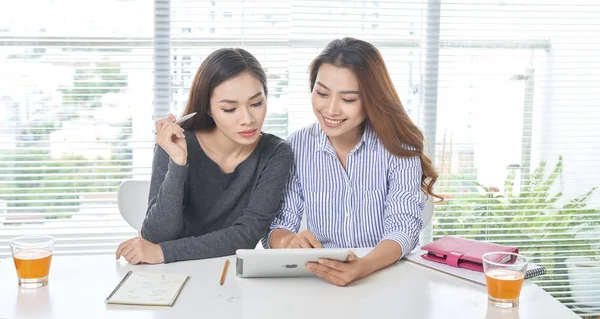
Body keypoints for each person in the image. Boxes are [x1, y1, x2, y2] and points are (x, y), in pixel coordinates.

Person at [266, 37, 439, 286]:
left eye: (348, 99)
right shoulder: (297, 146)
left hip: (385, 274)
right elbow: (280, 224)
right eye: (322, 93)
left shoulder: (399, 147)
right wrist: (287, 242)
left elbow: (403, 228)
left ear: (372, 99)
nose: (331, 110)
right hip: (321, 278)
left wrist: (363, 266)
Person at [116, 48, 293, 264]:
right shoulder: (175, 142)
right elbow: (156, 236)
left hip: (225, 274)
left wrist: (162, 253)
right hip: (168, 275)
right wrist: (178, 163)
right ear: (208, 108)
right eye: (230, 109)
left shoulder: (276, 153)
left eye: (256, 104)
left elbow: (247, 235)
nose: (247, 119)